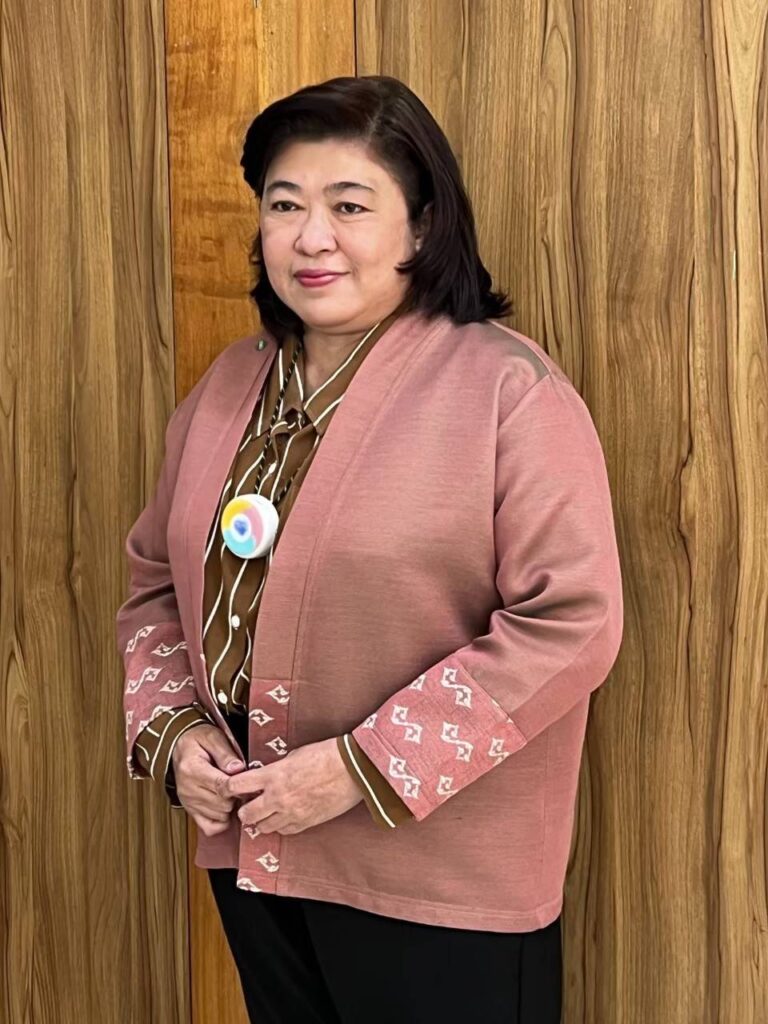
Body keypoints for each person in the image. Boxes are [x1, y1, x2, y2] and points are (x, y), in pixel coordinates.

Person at [116, 74, 623, 1024]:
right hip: (256, 851)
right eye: (285, 205)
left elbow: (573, 623)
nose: (312, 238)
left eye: (349, 206)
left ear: (422, 227)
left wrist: (360, 768)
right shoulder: (229, 385)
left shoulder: (508, 392)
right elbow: (153, 582)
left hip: (438, 880)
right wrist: (175, 730)